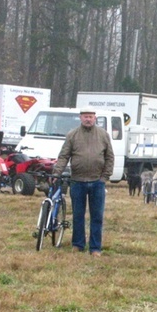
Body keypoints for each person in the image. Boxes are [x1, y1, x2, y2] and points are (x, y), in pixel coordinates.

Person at [52, 107, 114, 257]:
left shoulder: (103, 135)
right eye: (85, 116)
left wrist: (104, 177)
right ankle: (78, 245)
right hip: (77, 182)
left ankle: (95, 248)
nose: (88, 119)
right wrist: (56, 173)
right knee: (78, 215)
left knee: (97, 217)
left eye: (91, 116)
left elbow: (109, 157)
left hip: (97, 182)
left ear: (95, 118)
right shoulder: (72, 135)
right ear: (80, 118)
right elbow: (63, 156)